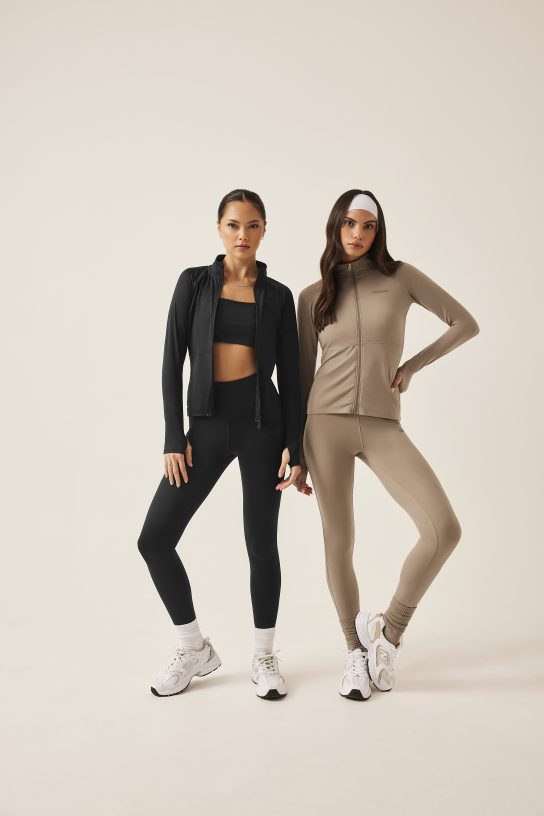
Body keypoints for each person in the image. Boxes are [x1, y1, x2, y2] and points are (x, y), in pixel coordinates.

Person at [296, 190, 479, 700]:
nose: (357, 234)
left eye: (368, 226)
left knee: (443, 529)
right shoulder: (312, 296)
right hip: (323, 426)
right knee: (339, 541)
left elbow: (465, 323)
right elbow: (300, 375)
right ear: (335, 226)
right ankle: (354, 652)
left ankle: (388, 634)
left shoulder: (401, 278)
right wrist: (296, 452)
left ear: (379, 231)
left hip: (382, 424)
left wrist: (412, 366)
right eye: (349, 223)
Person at [137, 189, 301, 700]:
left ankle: (264, 656)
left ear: (264, 230)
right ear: (219, 228)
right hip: (205, 427)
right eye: (233, 224)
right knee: (154, 539)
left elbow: (293, 377)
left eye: (252, 225)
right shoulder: (194, 283)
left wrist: (295, 447)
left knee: (261, 544)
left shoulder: (278, 296)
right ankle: (193, 648)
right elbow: (172, 361)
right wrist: (173, 435)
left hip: (262, 427)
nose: (242, 235)